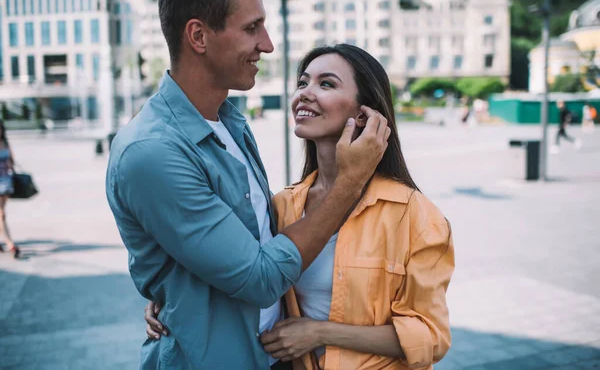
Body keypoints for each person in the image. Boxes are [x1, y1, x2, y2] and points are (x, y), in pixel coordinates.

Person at [105, 0, 390, 369]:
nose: (268, 45)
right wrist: (351, 182)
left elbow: (255, 237)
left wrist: (176, 293)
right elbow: (258, 278)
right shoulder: (152, 151)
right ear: (199, 37)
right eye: (252, 28)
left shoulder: (230, 123)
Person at [145, 45, 455, 370]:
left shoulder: (415, 215)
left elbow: (430, 336)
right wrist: (170, 299)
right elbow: (242, 271)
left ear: (364, 115)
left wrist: (320, 333)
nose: (305, 94)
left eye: (326, 84)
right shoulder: (282, 207)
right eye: (303, 82)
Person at [0, 120, 19, 259]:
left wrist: (9, 163)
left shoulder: (5, 143)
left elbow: (12, 161)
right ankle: (10, 243)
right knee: (1, 214)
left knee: (2, 213)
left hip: (6, 183)